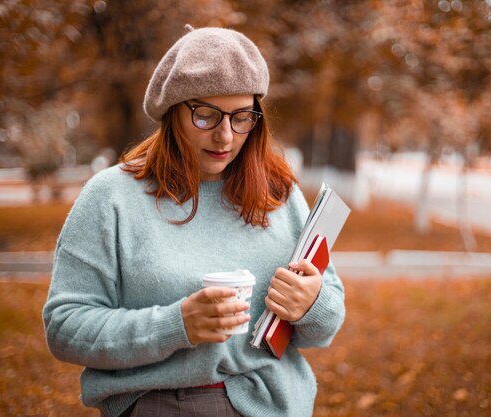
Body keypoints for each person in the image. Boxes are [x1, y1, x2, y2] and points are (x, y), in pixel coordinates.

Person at [43, 24, 345, 417]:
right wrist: (175, 325)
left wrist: (312, 305)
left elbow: (327, 320)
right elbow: (65, 329)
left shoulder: (279, 194)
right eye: (206, 116)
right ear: (173, 112)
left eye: (242, 117)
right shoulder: (111, 198)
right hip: (160, 404)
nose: (225, 136)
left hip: (274, 404)